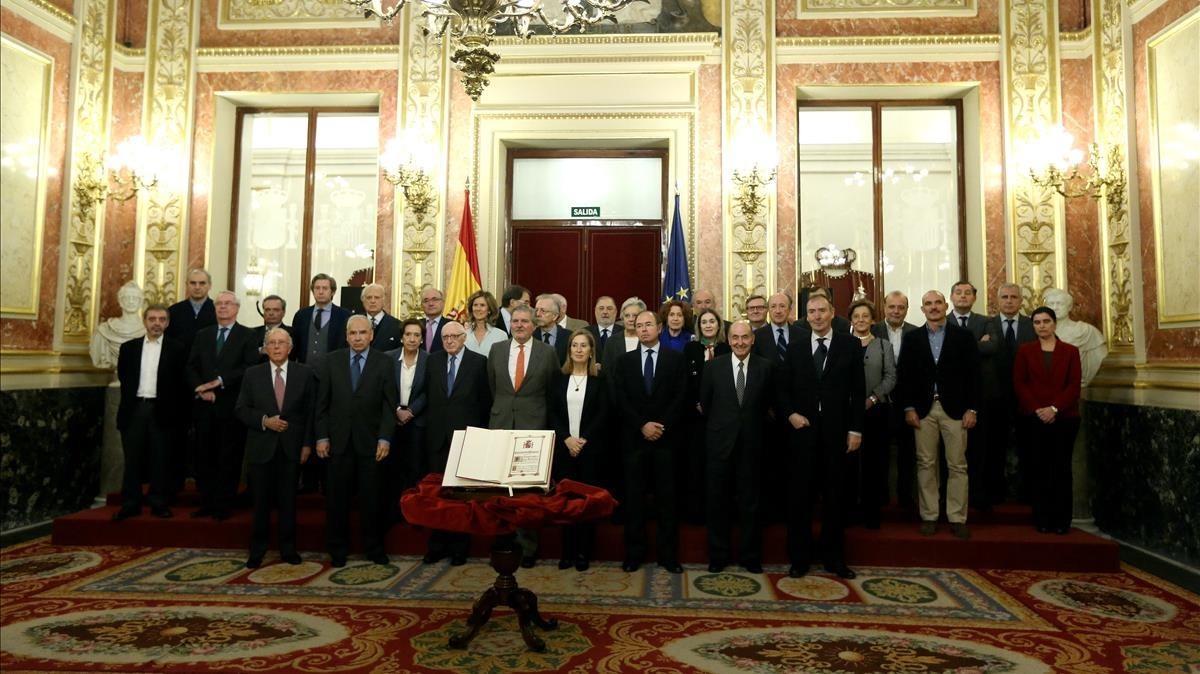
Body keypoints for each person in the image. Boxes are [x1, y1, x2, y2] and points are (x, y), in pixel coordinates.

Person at [777, 294, 865, 579]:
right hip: (802, 432)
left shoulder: (849, 345)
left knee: (835, 498)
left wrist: (855, 429)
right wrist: (790, 414)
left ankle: (834, 558)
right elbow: (783, 389)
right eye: (811, 311)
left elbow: (858, 391)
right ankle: (799, 559)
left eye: (821, 311)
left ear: (832, 313)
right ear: (806, 316)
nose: (816, 316)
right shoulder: (795, 347)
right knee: (799, 497)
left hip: (837, 434)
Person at [897, 290, 981, 540]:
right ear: (922, 310)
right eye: (928, 304)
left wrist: (973, 409)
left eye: (937, 303)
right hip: (923, 411)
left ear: (945, 306)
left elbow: (975, 376)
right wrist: (909, 408)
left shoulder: (964, 337)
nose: (933, 307)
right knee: (926, 464)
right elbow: (904, 376)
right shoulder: (912, 339)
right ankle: (930, 515)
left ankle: (957, 517)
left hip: (956, 410)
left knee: (957, 465)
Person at [315, 315, 398, 567]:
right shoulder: (331, 361)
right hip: (338, 442)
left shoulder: (384, 362)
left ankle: (374, 548)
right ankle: (338, 549)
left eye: (363, 332)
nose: (358, 337)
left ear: (371, 335)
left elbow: (388, 405)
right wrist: (321, 436)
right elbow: (322, 404)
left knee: (372, 500)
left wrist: (385, 437)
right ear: (346, 335)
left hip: (371, 443)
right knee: (337, 500)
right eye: (353, 333)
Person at [234, 328, 317, 568]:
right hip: (261, 447)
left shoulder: (304, 374)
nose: (277, 347)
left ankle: (288, 549)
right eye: (272, 343)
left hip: (292, 448)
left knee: (288, 502)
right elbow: (241, 409)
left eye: (282, 343)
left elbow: (310, 412)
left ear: (290, 348)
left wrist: (307, 444)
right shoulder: (252, 374)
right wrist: (264, 421)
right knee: (260, 502)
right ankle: (257, 550)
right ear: (265, 348)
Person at [614, 309, 686, 574]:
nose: (643, 329)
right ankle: (634, 554)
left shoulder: (675, 360)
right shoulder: (624, 362)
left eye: (648, 324)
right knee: (634, 501)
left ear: (659, 327)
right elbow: (620, 399)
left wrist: (659, 426)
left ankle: (668, 557)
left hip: (666, 442)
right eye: (638, 325)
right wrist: (641, 425)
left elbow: (681, 398)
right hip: (634, 441)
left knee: (668, 501)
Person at [487, 304, 558, 566]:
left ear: (534, 325)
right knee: (500, 488)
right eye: (515, 321)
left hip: (533, 426)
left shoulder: (547, 353)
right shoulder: (497, 350)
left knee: (527, 491)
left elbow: (551, 390)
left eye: (525, 321)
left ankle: (528, 547)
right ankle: (502, 542)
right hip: (501, 423)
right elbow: (492, 386)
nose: (519, 325)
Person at [700, 321, 773, 573]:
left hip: (753, 446)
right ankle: (718, 556)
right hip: (719, 445)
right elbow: (706, 405)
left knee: (751, 504)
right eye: (735, 338)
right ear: (728, 340)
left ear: (752, 339)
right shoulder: (712, 368)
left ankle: (750, 556)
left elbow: (768, 408)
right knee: (717, 502)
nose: (740, 342)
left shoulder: (766, 368)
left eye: (745, 337)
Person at [423, 320, 491, 565]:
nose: (449, 341)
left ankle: (460, 548)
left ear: (464, 338)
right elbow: (426, 395)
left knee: (462, 496)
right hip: (437, 438)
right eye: (445, 337)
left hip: (466, 438)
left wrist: (479, 437)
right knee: (437, 494)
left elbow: (485, 402)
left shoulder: (479, 363)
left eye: (454, 336)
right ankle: (437, 545)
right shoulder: (432, 361)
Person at [187, 290, 259, 520]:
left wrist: (219, 382)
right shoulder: (202, 334)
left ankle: (224, 505)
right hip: (205, 406)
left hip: (231, 407)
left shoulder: (247, 336)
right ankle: (207, 502)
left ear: (237, 308)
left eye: (228, 304)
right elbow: (191, 366)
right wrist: (201, 388)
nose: (223, 307)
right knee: (204, 455)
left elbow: (249, 367)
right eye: (219, 304)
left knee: (229, 456)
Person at [1012, 306, 1082, 535]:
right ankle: (1042, 518)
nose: (1042, 326)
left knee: (1061, 469)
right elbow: (1020, 383)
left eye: (1046, 321)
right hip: (1034, 419)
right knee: (1039, 469)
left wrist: (1054, 408)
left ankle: (1062, 521)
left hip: (1065, 418)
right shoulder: (1025, 351)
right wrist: (1038, 409)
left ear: (1054, 323)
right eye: (1037, 322)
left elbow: (1074, 385)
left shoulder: (1070, 351)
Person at [113, 304, 186, 521]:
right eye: (152, 319)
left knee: (160, 459)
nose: (156, 323)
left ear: (167, 323)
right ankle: (131, 503)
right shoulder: (128, 348)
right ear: (145, 321)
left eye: (161, 319)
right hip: (135, 409)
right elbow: (124, 378)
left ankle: (158, 502)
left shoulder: (177, 349)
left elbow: (179, 384)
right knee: (132, 459)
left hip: (162, 410)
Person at [549, 330, 608, 571]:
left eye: (584, 345)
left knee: (585, 503)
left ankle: (584, 551)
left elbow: (604, 414)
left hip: (589, 450)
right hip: (565, 450)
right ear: (569, 350)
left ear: (591, 351)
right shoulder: (559, 379)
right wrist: (567, 439)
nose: (579, 349)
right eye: (575, 345)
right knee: (566, 502)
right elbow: (552, 412)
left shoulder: (599, 381)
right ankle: (567, 552)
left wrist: (583, 440)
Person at [980, 283, 1035, 508]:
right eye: (1005, 297)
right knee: (994, 448)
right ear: (997, 300)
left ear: (1021, 301)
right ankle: (995, 494)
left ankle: (1028, 495)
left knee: (1028, 448)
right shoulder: (986, 324)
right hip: (994, 398)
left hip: (1027, 396)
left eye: (1014, 297)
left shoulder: (1033, 325)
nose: (1009, 301)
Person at [849, 299, 896, 529]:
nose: (860, 320)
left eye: (865, 316)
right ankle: (850, 510)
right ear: (851, 320)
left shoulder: (883, 345)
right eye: (856, 316)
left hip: (876, 411)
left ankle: (871, 513)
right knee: (850, 464)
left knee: (873, 463)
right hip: (848, 413)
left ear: (873, 319)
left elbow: (891, 377)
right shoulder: (843, 344)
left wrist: (873, 398)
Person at [871, 291, 919, 509]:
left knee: (907, 453)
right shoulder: (873, 331)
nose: (896, 311)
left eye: (900, 307)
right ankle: (880, 496)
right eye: (892, 307)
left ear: (907, 310)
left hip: (908, 402)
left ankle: (905, 497)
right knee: (879, 451)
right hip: (879, 401)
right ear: (884, 308)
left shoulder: (916, 334)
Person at [681, 308, 731, 522]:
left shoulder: (727, 349)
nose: (708, 325)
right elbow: (685, 382)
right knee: (696, 464)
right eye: (704, 322)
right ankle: (696, 510)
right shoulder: (691, 348)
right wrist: (696, 403)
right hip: (696, 417)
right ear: (698, 326)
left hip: (721, 417)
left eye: (712, 321)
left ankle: (721, 510)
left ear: (719, 325)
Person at [386, 319, 428, 523]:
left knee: (415, 469)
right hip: (392, 422)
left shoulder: (430, 360)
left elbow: (430, 391)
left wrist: (411, 411)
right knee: (392, 469)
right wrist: (397, 410)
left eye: (417, 335)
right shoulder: (388, 358)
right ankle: (393, 512)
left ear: (422, 339)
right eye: (408, 334)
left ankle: (413, 513)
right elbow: (384, 389)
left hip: (417, 422)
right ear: (402, 337)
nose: (412, 339)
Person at [1042, 288, 1108, 386]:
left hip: (1076, 387)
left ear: (1069, 307)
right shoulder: (1036, 332)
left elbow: (1100, 360)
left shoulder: (1086, 332)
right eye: (1051, 304)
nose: (1055, 307)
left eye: (1059, 303)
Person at [291, 273, 350, 369]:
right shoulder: (301, 315)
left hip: (333, 372)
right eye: (317, 288)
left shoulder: (344, 316)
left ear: (333, 292)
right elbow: (294, 345)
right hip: (304, 372)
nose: (321, 292)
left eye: (325, 288)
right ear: (313, 291)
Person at [90, 281, 147, 369]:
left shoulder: (148, 329)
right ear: (120, 301)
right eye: (127, 298)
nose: (131, 301)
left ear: (141, 302)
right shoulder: (105, 330)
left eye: (135, 298)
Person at [166, 268, 216, 352]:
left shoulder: (219, 310)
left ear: (210, 285)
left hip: (209, 362)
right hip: (180, 362)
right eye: (193, 283)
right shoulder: (173, 311)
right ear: (187, 285)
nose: (197, 287)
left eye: (202, 283)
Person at [601, 297, 645, 374]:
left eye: (634, 315)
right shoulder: (611, 342)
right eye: (627, 316)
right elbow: (606, 371)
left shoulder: (647, 340)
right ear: (622, 318)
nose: (631, 319)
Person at [753, 292, 798, 363]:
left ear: (789, 309)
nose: (778, 311)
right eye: (773, 306)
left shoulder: (803, 335)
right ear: (768, 309)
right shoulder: (756, 336)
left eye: (782, 306)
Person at [463, 290, 508, 356]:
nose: (478, 309)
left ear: (489, 309)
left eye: (482, 305)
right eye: (475, 305)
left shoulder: (501, 335)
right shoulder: (464, 334)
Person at [250, 295, 294, 362]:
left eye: (276, 310)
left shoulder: (292, 333)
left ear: (283, 312)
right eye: (267, 310)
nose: (271, 313)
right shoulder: (252, 333)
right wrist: (260, 350)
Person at [360, 283, 402, 352]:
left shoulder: (397, 325)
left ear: (384, 301)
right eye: (369, 297)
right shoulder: (354, 323)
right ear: (363, 301)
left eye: (377, 297)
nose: (372, 301)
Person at [534, 294, 572, 364]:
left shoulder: (570, 337)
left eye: (543, 311)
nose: (538, 314)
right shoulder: (530, 335)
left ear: (555, 316)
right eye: (536, 310)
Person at [587, 295, 618, 366]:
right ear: (595, 311)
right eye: (601, 308)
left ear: (616, 312)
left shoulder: (623, 332)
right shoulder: (586, 333)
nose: (605, 312)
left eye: (609, 308)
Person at [419, 287, 448, 353]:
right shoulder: (415, 325)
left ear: (443, 303)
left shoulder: (452, 325)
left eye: (435, 299)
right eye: (426, 301)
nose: (431, 304)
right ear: (421, 305)